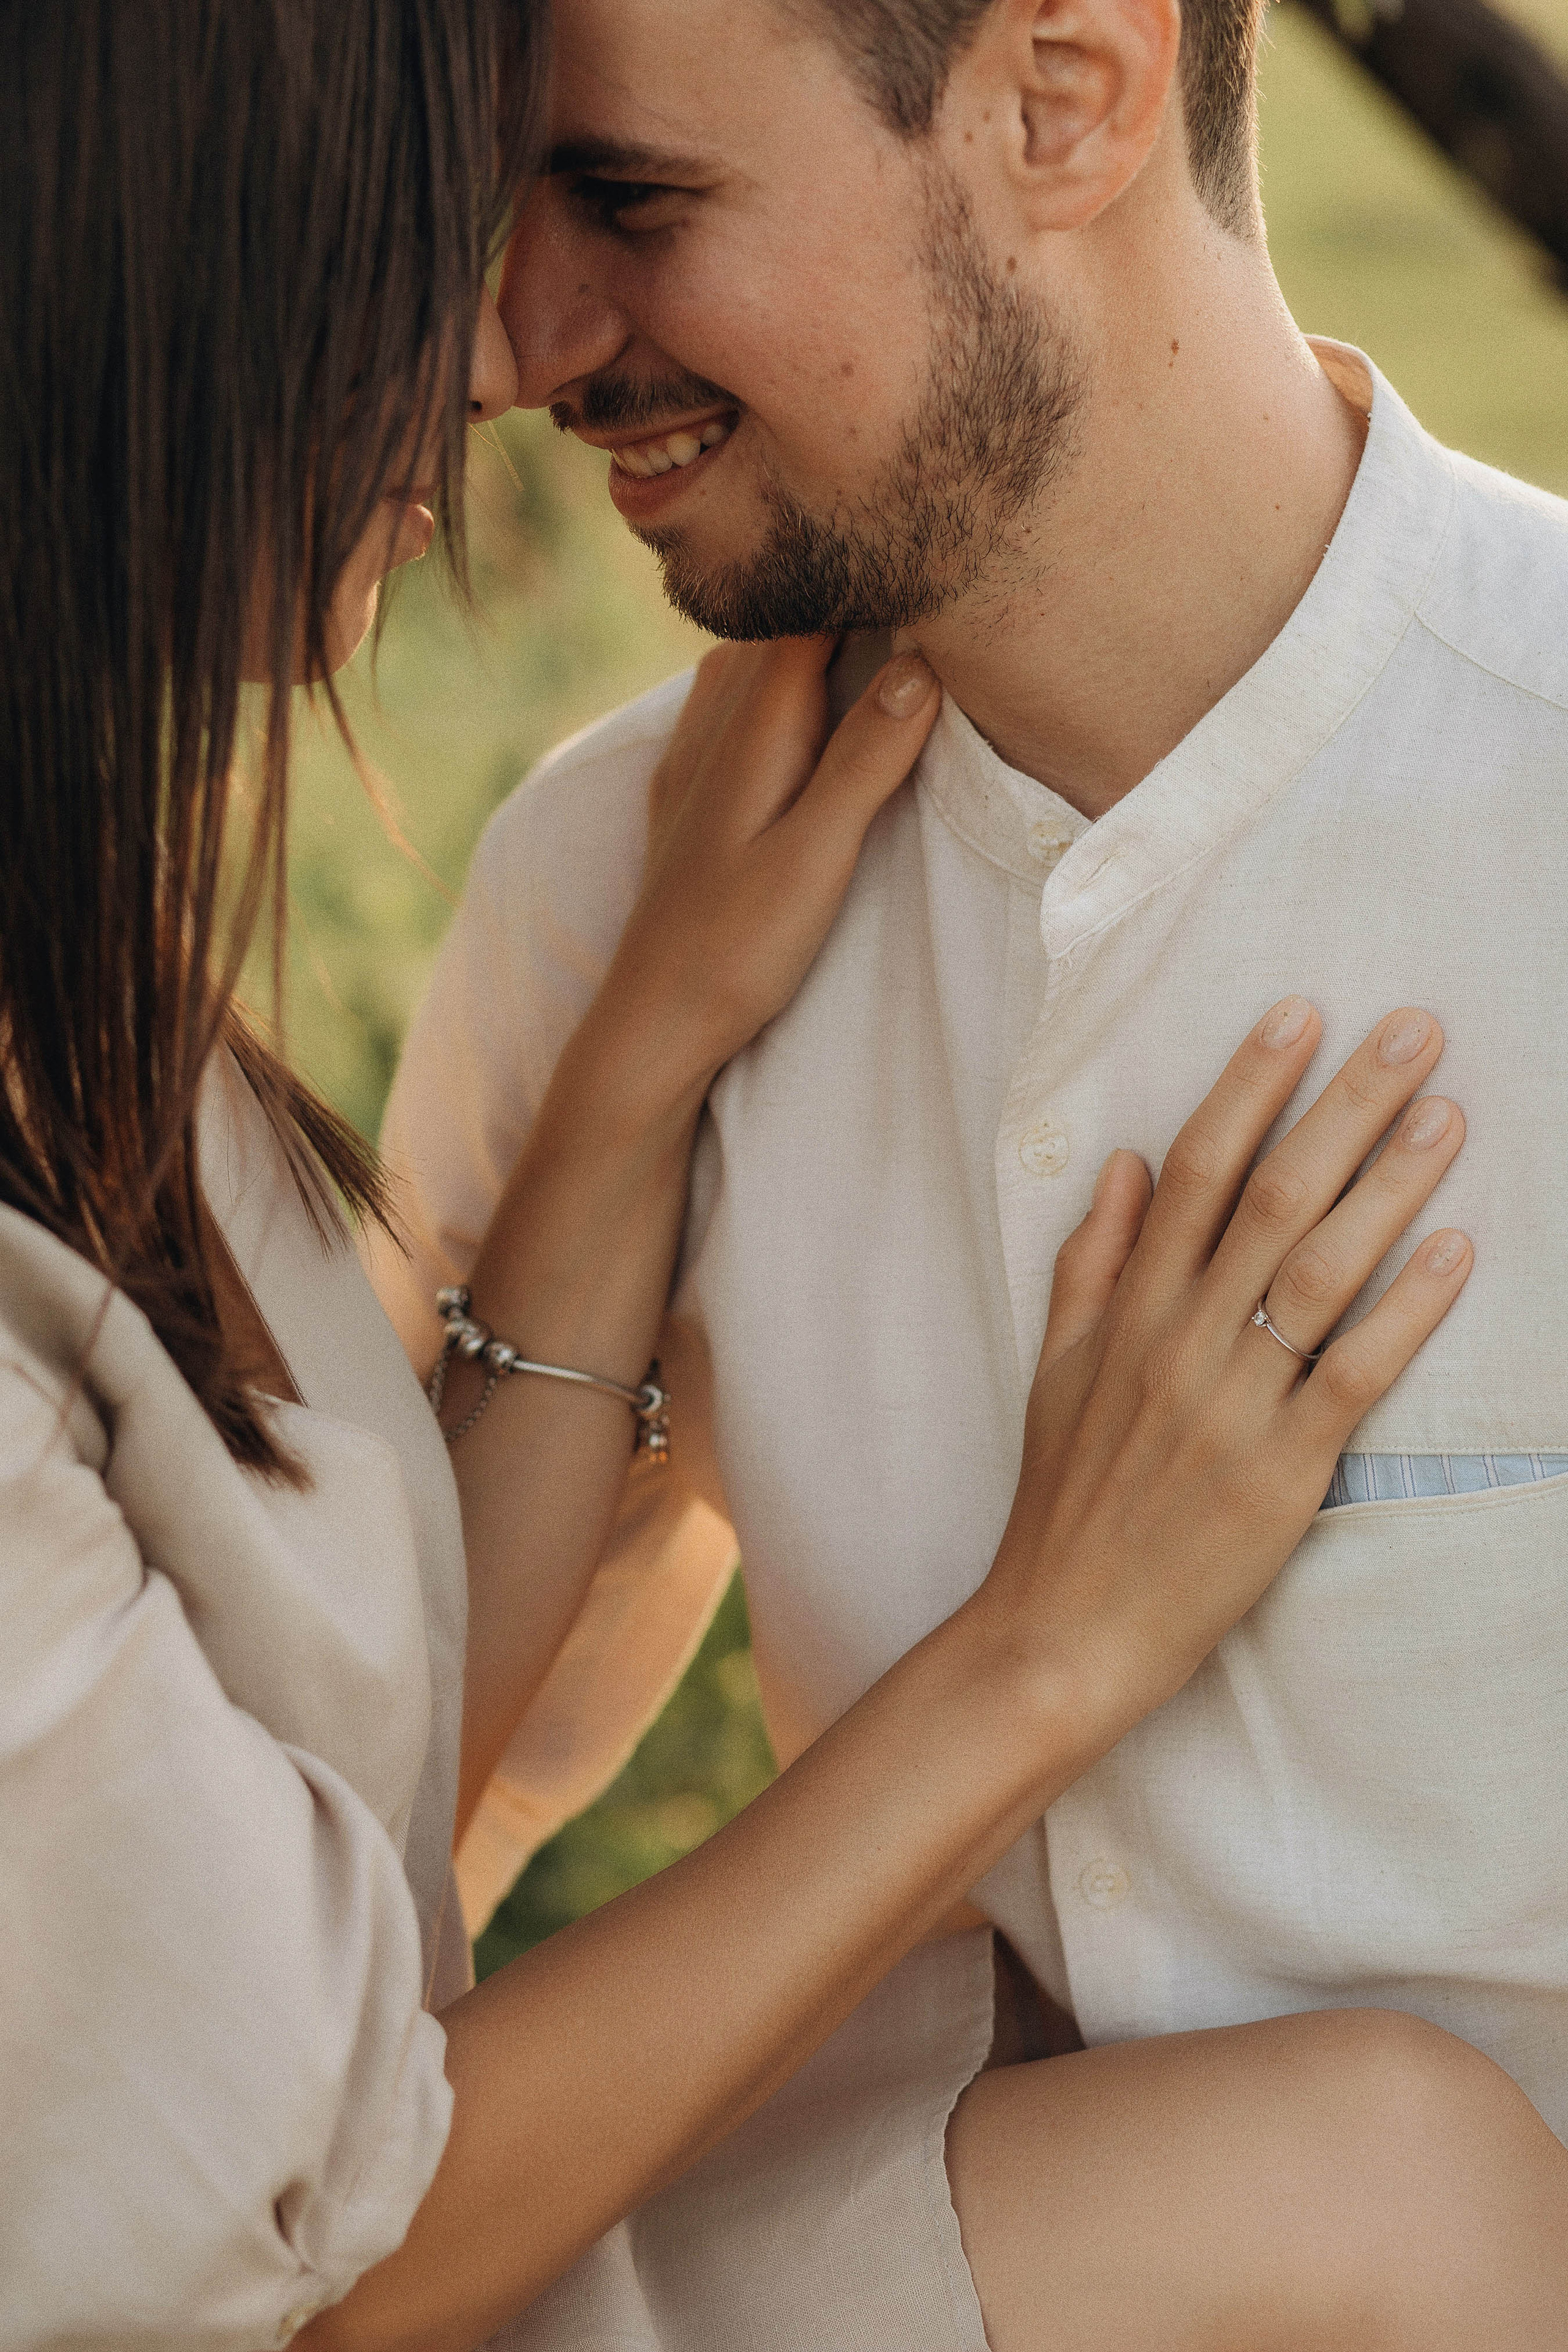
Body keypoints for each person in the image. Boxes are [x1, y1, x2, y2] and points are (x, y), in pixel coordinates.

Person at [6, 6, 1567, 2352]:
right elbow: (384, 1888)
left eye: (633, 203)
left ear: (1069, 90)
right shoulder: (602, 905)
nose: (517, 346)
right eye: (490, 206)